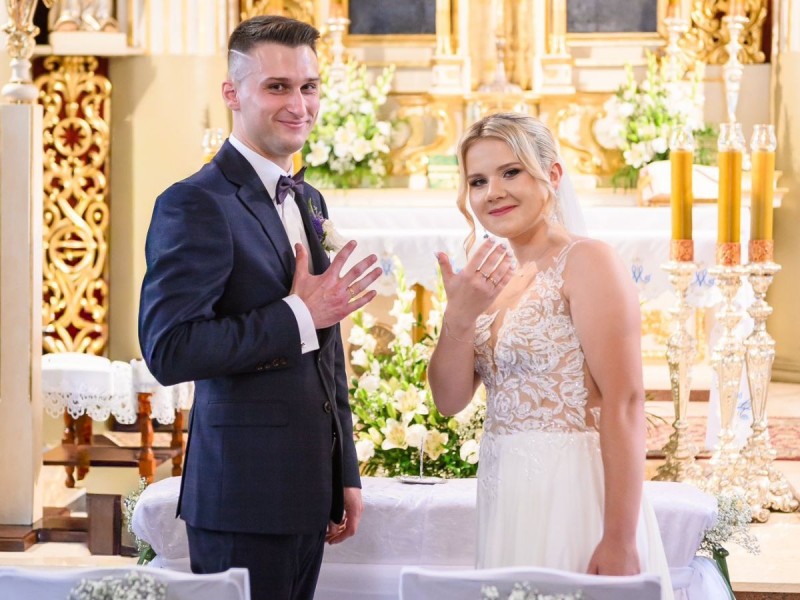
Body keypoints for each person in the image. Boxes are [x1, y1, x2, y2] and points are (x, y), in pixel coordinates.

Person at [138, 15, 382, 600]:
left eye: (309, 87)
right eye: (277, 87)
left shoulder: (309, 198)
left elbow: (327, 352)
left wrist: (344, 471)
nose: (299, 105)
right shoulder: (195, 203)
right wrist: (299, 315)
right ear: (232, 93)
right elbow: (169, 350)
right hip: (241, 495)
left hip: (309, 490)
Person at [428, 112, 674, 598]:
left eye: (511, 172)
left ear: (553, 175)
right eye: (478, 181)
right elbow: (449, 400)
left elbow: (625, 402)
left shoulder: (588, 261)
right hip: (506, 492)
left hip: (574, 493)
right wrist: (458, 317)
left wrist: (620, 539)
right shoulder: (488, 281)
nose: (493, 192)